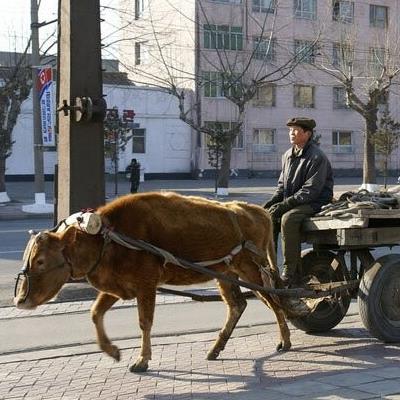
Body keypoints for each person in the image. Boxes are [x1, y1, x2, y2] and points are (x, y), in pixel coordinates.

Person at [264, 117, 333, 286]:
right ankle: (269, 269)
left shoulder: (317, 157)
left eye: (295, 130)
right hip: (296, 201)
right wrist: (271, 203)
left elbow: (311, 191)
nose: (291, 133)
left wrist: (285, 205)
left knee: (288, 219)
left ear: (307, 134)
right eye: (290, 130)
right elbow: (282, 187)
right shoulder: (288, 155)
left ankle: (291, 272)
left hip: (315, 202)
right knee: (268, 216)